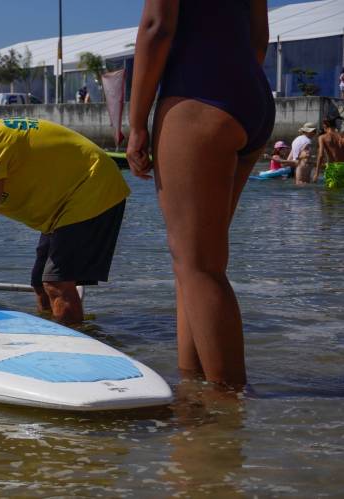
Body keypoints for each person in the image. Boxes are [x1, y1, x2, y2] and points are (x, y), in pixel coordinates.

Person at [126, 0, 275, 387]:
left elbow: (158, 27)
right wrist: (232, 80)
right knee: (191, 264)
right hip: (250, 94)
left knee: (199, 266)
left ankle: (227, 414)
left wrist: (137, 122)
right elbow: (259, 37)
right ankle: (191, 389)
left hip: (196, 97)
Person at [0, 102, 130, 325]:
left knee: (57, 283)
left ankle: (75, 343)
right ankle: (57, 329)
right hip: (63, 206)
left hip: (92, 185)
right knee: (40, 283)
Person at [313, 117, 344, 185]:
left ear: (325, 125)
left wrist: (316, 173)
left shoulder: (322, 137)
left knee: (329, 193)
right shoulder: (341, 136)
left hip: (333, 167)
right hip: (343, 167)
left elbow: (321, 155)